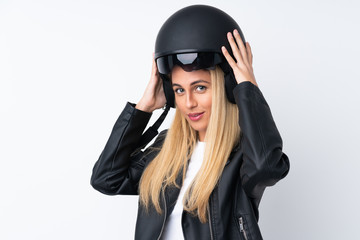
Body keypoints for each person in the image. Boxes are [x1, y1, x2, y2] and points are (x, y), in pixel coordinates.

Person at [90, 4, 290, 240]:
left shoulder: (242, 156)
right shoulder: (166, 150)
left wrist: (247, 87)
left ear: (227, 88)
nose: (189, 102)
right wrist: (143, 109)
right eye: (179, 90)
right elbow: (106, 179)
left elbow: (267, 167)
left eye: (200, 87)